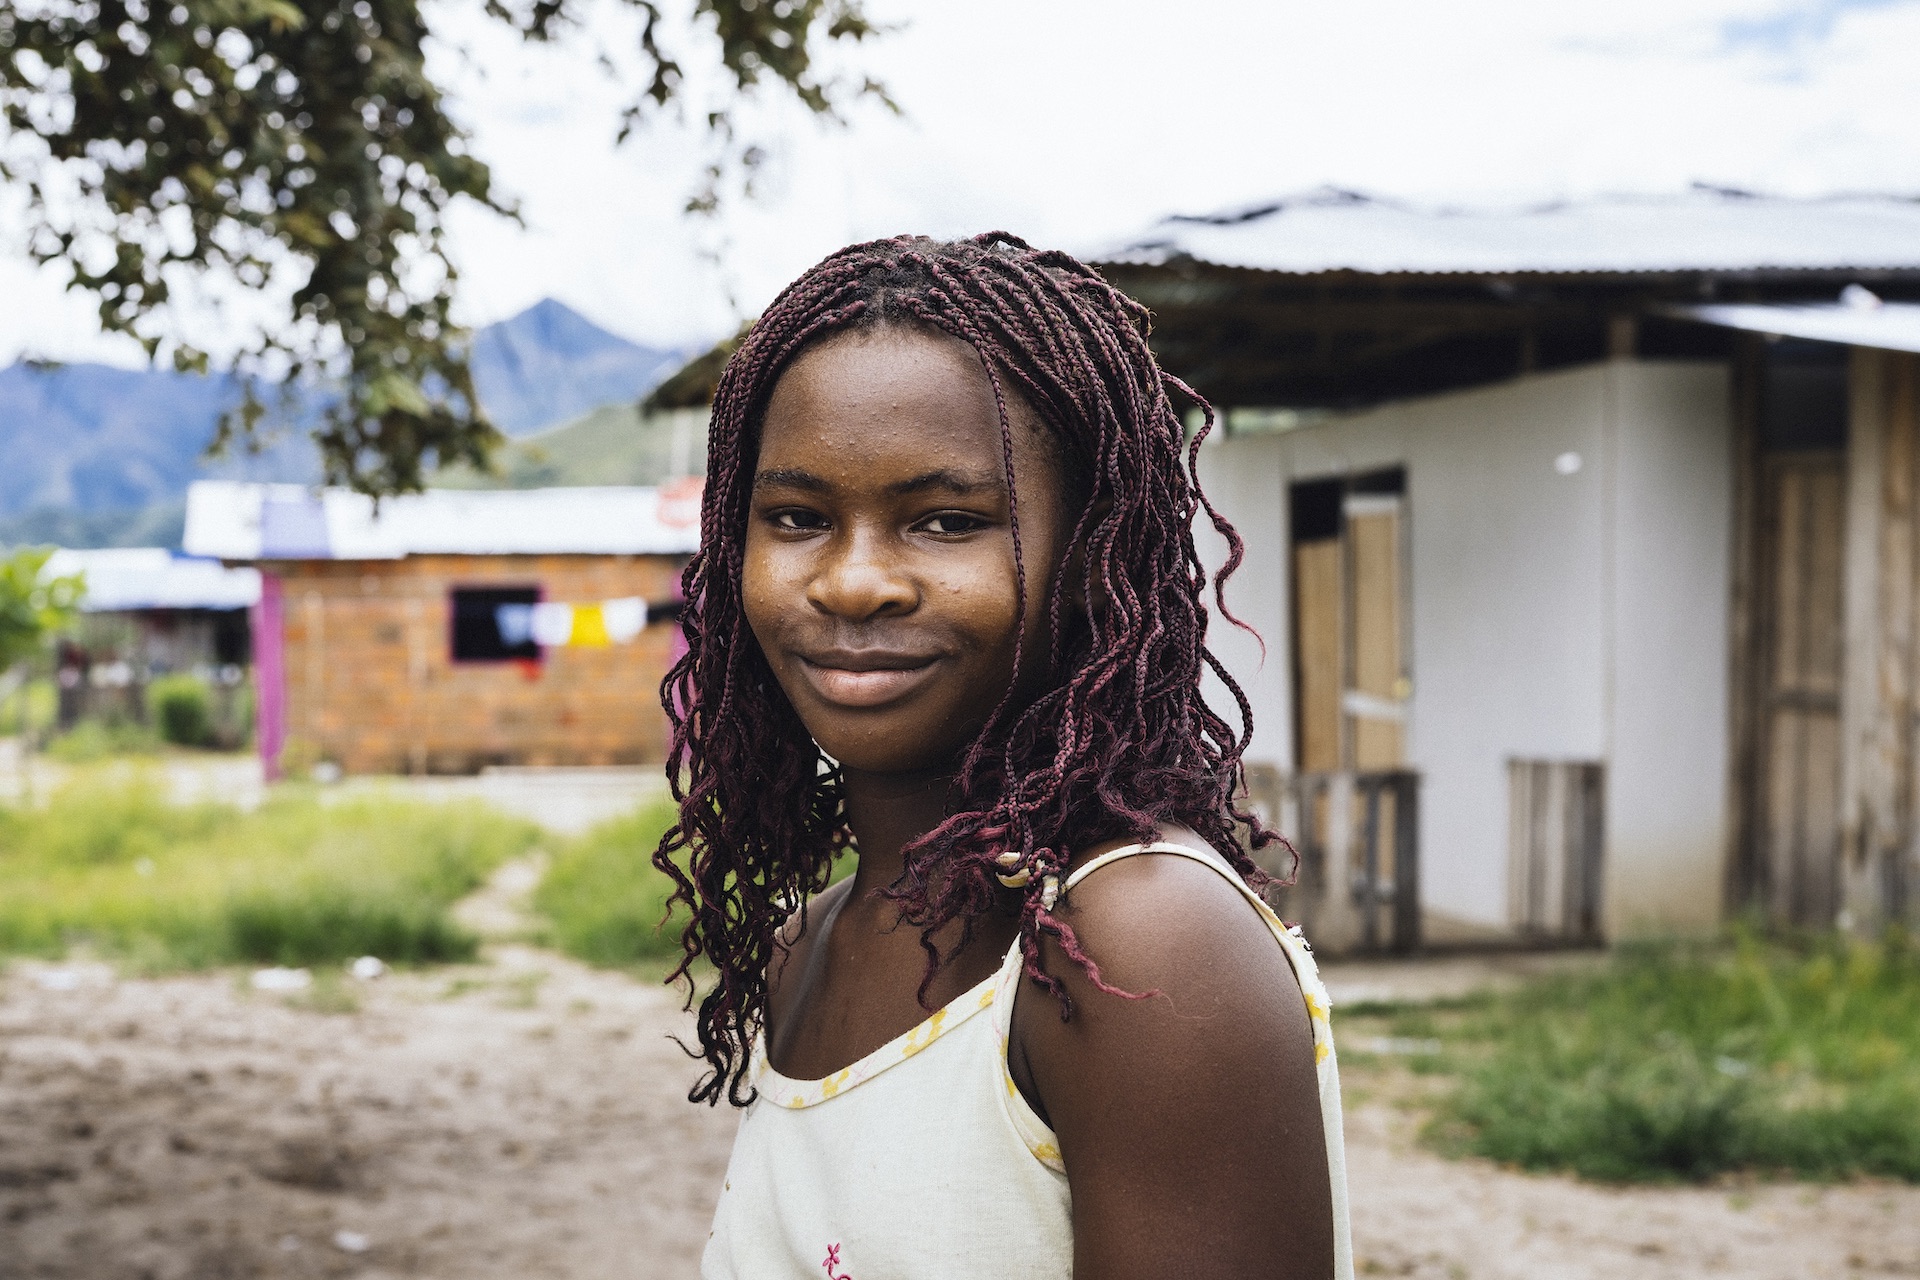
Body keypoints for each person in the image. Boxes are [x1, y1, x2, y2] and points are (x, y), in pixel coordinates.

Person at [655, 233, 1352, 1280]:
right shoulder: (808, 946)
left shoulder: (1137, 947)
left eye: (946, 521)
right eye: (796, 518)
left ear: (1092, 556)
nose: (853, 581)